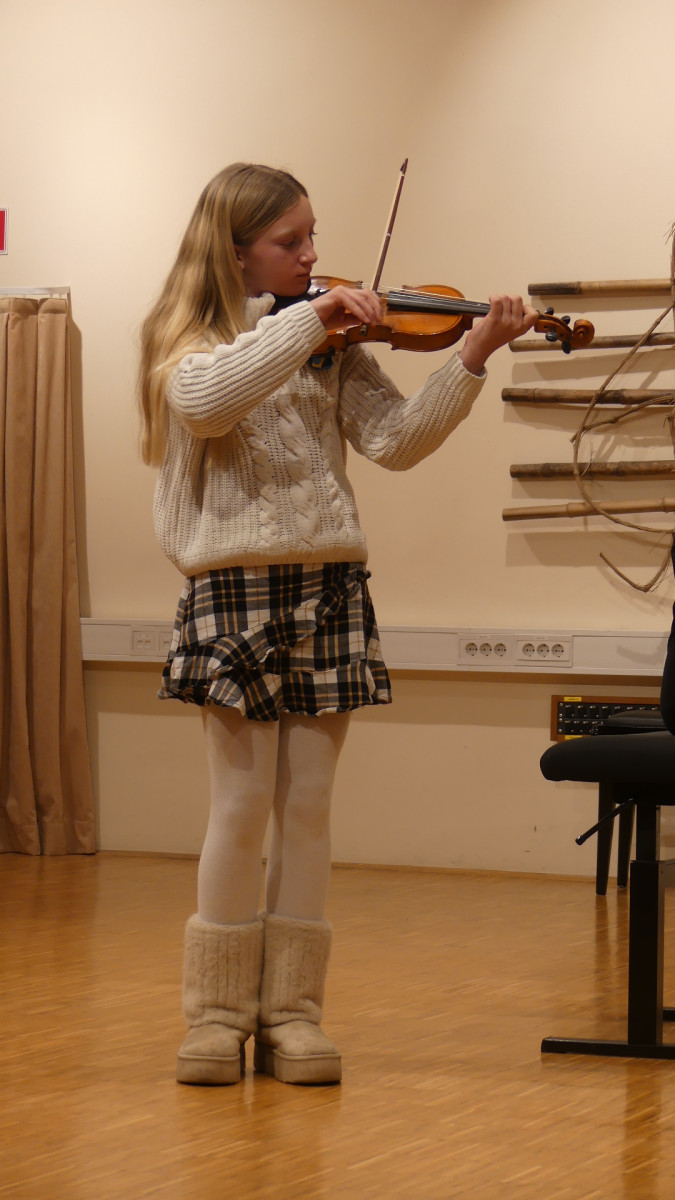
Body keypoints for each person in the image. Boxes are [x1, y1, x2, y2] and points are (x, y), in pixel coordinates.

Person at [138, 162, 538, 1088]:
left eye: (312, 235)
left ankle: (293, 1015)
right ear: (235, 250)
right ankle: (216, 1016)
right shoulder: (191, 339)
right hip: (234, 590)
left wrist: (470, 356)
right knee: (240, 807)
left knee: (309, 808)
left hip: (328, 583)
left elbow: (395, 442)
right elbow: (207, 404)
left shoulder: (329, 342)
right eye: (290, 241)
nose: (312, 255)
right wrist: (309, 319)